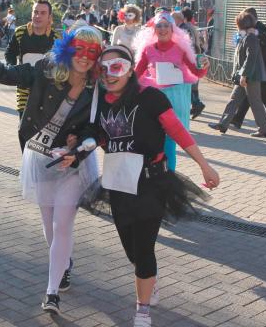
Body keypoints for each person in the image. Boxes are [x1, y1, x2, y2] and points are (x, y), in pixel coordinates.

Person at [69, 45, 219, 327]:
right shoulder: (100, 102)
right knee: (132, 251)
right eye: (104, 69)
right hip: (118, 183)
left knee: (145, 247)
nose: (110, 75)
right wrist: (75, 151)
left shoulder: (150, 97)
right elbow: (99, 136)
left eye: (117, 68)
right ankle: (148, 279)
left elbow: (177, 130)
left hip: (151, 183)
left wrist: (204, 165)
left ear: (129, 69)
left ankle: (142, 309)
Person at [0, 21, 103, 316]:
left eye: (92, 52)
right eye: (80, 49)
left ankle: (52, 291)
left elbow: (96, 129)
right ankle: (64, 263)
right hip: (40, 158)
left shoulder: (96, 87)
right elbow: (7, 74)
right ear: (69, 49)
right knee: (48, 226)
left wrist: (79, 146)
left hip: (72, 163)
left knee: (62, 223)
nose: (85, 56)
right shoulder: (46, 68)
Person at [134, 10, 208, 171]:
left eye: (166, 25)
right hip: (154, 98)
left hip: (174, 100)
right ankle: (153, 173)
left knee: (169, 141)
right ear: (154, 29)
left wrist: (204, 68)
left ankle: (170, 176)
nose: (162, 29)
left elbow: (195, 72)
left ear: (172, 29)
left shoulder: (180, 49)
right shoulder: (148, 50)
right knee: (152, 138)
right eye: (159, 26)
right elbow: (137, 73)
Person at [209, 11, 266, 137]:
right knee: (233, 100)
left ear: (240, 24)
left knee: (255, 102)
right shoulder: (247, 37)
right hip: (245, 76)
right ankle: (223, 123)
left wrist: (244, 75)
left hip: (250, 77)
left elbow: (251, 57)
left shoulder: (250, 38)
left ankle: (264, 129)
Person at [5, 0, 59, 121]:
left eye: (43, 13)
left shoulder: (56, 38)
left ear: (49, 17)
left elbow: (61, 64)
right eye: (35, 12)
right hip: (24, 92)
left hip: (47, 93)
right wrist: (13, 70)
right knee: (24, 131)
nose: (38, 16)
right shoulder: (20, 32)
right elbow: (10, 53)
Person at [230, 7, 266, 132]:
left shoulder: (259, 27)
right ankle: (237, 119)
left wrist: (257, 33)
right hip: (256, 70)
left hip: (264, 70)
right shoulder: (248, 29)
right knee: (249, 95)